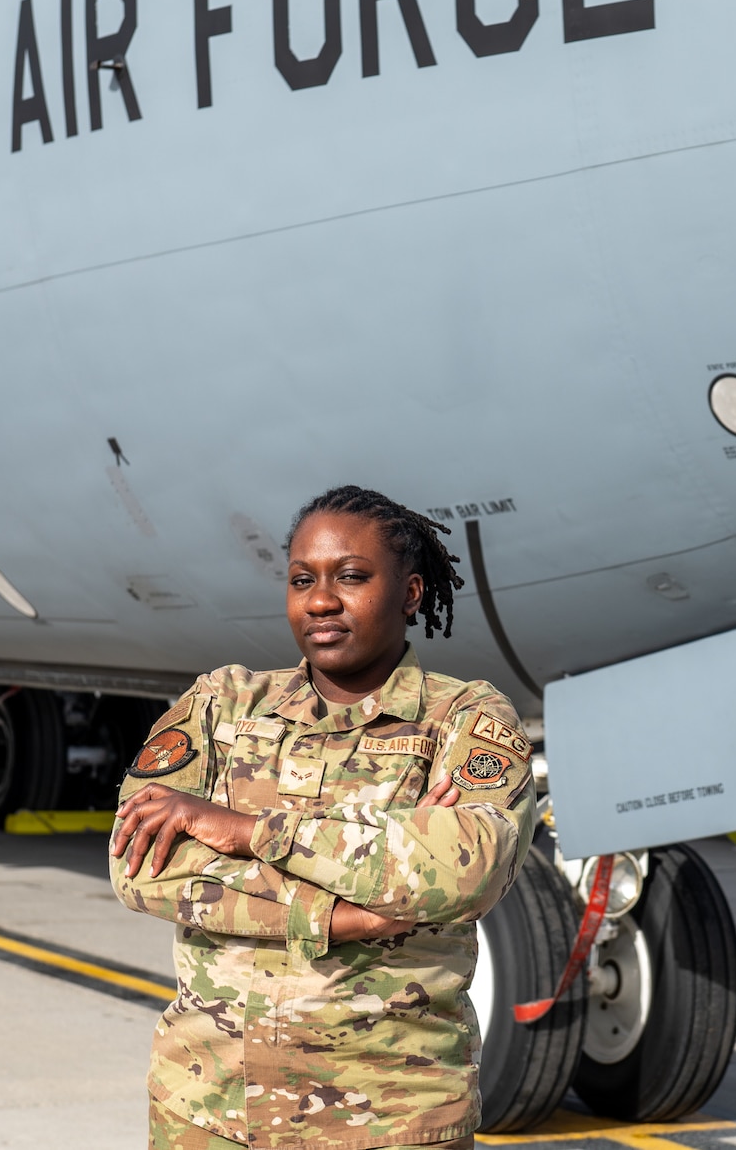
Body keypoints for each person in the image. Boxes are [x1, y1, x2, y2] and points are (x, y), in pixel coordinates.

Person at [109, 485, 537, 1149]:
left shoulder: (464, 720)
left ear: (412, 592)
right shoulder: (223, 704)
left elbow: (464, 868)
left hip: (387, 1117)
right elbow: (137, 864)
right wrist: (349, 914)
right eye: (302, 579)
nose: (320, 600)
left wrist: (251, 830)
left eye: (353, 576)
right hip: (207, 1109)